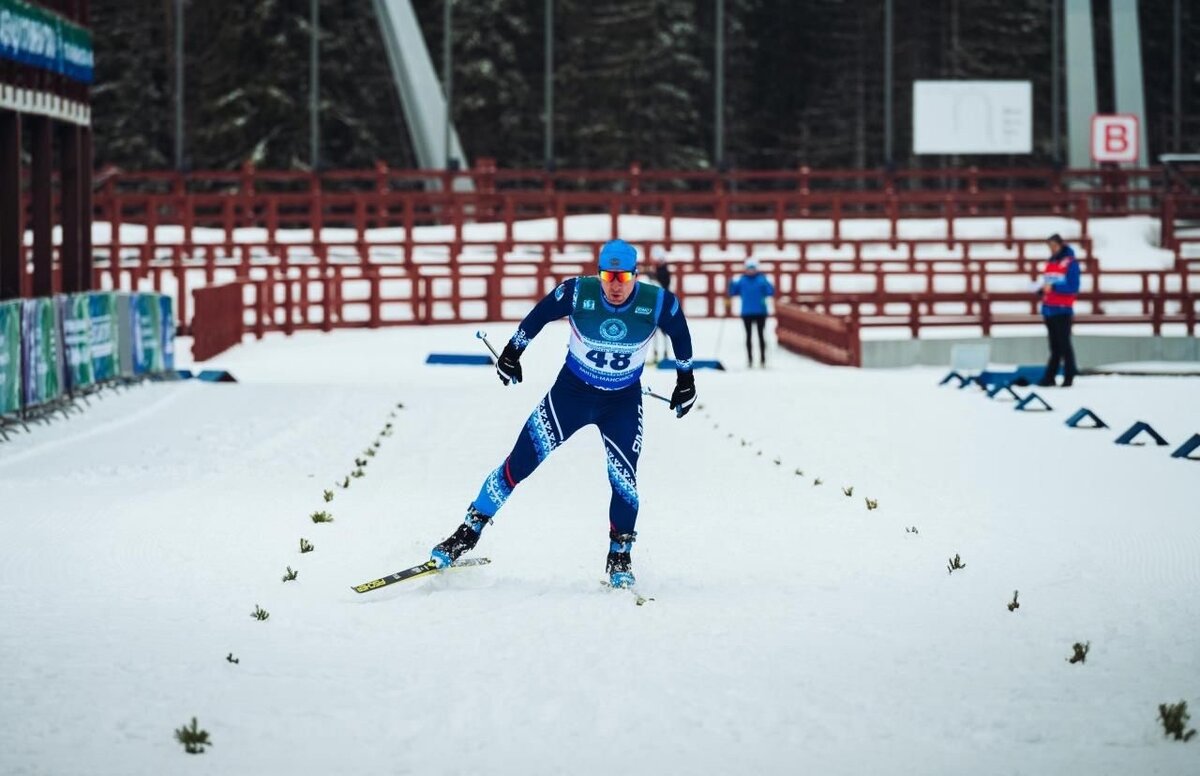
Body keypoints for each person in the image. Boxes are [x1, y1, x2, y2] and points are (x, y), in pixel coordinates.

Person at [429, 239, 696, 589]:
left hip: (621, 403)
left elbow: (680, 332)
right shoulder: (577, 292)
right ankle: (468, 531)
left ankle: (620, 556)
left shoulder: (656, 301)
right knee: (519, 463)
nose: (615, 285)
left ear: (635, 275)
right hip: (571, 395)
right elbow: (539, 315)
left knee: (625, 483)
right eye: (607, 276)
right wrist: (512, 352)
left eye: (623, 278)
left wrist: (686, 378)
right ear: (599, 273)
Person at [1037, 233, 1080, 387]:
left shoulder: (1071, 263)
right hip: (1049, 308)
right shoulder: (1051, 262)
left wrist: (1054, 287)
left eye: (1054, 246)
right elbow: (1048, 282)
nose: (1052, 249)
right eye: (1050, 246)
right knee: (1054, 346)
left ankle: (1069, 375)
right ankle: (1050, 376)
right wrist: (1042, 290)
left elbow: (1073, 286)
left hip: (1062, 309)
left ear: (1061, 245)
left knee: (1064, 344)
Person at [726, 258, 775, 367]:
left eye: (753, 268)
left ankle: (763, 359)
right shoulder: (742, 280)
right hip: (747, 312)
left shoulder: (762, 280)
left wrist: (767, 284)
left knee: (761, 335)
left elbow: (770, 292)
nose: (751, 271)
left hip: (760, 312)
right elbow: (733, 292)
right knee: (748, 336)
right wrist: (730, 284)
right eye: (749, 268)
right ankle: (750, 359)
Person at [649, 246, 673, 363]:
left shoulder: (664, 271)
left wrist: (653, 277)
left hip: (662, 303)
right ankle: (656, 354)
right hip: (655, 303)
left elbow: (663, 285)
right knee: (655, 330)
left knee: (663, 330)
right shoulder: (657, 270)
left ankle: (664, 354)